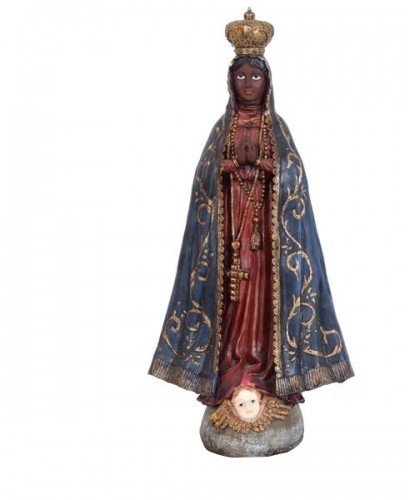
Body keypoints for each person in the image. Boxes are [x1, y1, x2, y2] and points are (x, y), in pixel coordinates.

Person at [148, 9, 354, 424]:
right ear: (230, 81)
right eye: (241, 76)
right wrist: (223, 169)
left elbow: (295, 177)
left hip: (267, 241)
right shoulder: (221, 129)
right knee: (232, 295)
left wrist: (272, 168)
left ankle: (267, 369)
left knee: (263, 296)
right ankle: (231, 365)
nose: (248, 83)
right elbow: (204, 179)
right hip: (230, 234)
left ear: (268, 81)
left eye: (255, 76)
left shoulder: (276, 127)